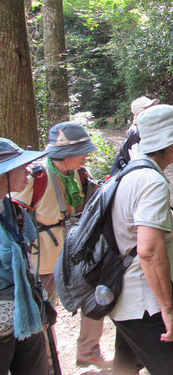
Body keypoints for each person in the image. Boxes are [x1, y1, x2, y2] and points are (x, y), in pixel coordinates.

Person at [13, 122, 110, 368]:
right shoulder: (37, 176)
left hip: (75, 252)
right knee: (45, 313)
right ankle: (46, 364)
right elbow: (14, 214)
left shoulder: (80, 174)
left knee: (95, 298)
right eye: (83, 150)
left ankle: (88, 350)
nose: (88, 154)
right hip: (42, 258)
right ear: (66, 154)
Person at [109, 104, 173, 375]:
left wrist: (166, 233)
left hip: (123, 293)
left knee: (126, 364)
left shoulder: (134, 168)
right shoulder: (152, 181)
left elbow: (132, 225)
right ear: (169, 141)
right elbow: (147, 251)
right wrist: (167, 308)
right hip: (144, 301)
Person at [0, 139, 49, 375]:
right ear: (3, 174)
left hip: (25, 312)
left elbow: (28, 260)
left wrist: (41, 301)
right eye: (21, 167)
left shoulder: (14, 210)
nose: (28, 171)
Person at [111, 96, 160, 175]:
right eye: (148, 108)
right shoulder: (137, 132)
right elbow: (138, 162)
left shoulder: (139, 128)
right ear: (138, 113)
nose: (153, 110)